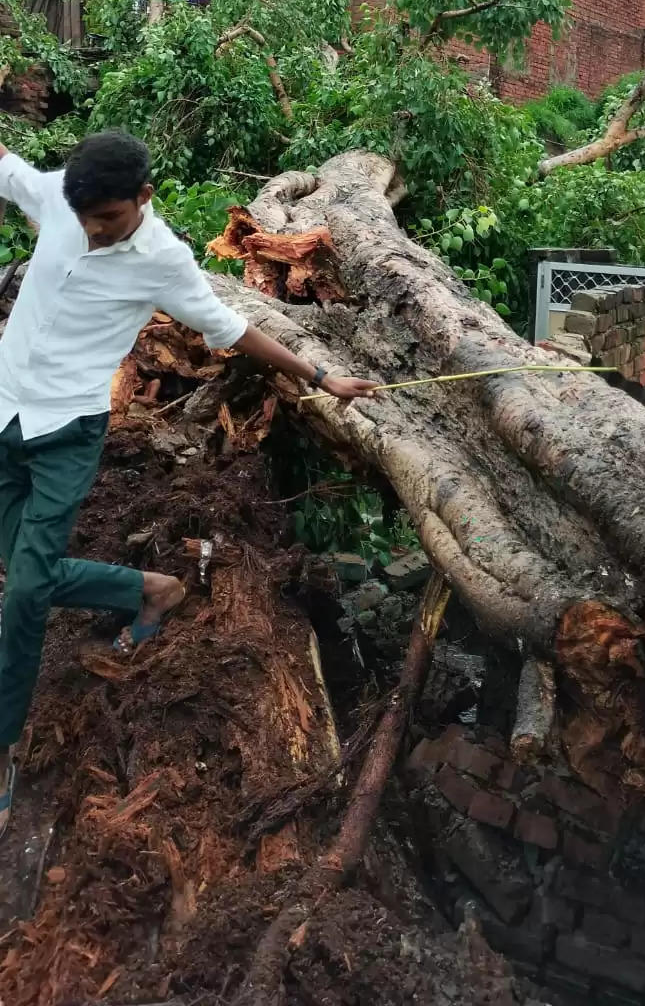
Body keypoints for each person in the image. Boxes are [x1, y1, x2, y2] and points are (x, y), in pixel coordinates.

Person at [0, 130, 374, 839]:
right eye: (81, 217)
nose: (90, 230)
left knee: (24, 593)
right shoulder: (60, 197)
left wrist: (322, 377)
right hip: (3, 412)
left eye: (106, 219)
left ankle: (4, 744)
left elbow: (232, 331)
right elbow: (7, 168)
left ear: (142, 197)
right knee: (22, 569)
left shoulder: (164, 260)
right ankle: (146, 589)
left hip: (67, 433)